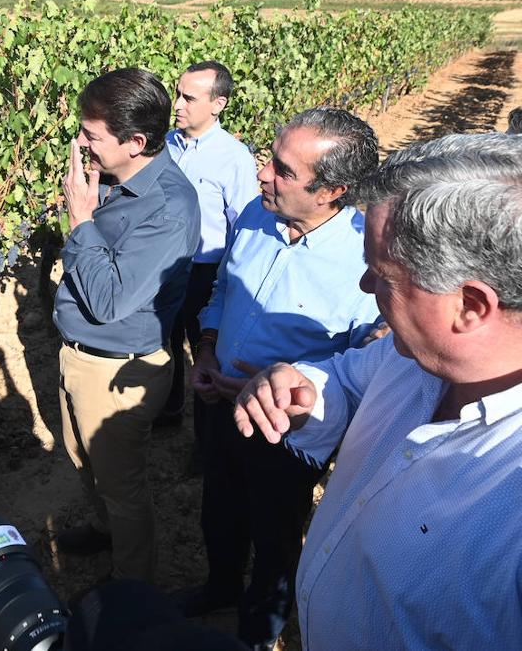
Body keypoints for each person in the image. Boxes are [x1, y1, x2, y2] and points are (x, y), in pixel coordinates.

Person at [234, 132, 522, 649]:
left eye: (384, 275)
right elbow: (347, 377)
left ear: (471, 305)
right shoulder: (412, 355)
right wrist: (304, 387)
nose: (365, 287)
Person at [176, 108, 381, 649]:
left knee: (276, 536)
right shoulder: (253, 213)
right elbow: (222, 289)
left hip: (286, 435)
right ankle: (221, 585)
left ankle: (258, 629)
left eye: (283, 170)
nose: (262, 173)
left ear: (331, 190)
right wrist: (207, 349)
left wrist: (287, 397)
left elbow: (363, 367)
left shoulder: (367, 261)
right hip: (219, 405)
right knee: (218, 510)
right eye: (270, 159)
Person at [53, 67, 200, 582]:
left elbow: (111, 299)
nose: (81, 144)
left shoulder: (169, 208)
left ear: (136, 141)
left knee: (122, 486)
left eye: (92, 137)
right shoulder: (119, 179)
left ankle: (133, 588)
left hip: (115, 370)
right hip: (83, 355)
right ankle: (104, 529)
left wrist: (81, 221)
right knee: (82, 457)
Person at [159, 61, 259, 448]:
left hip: (205, 272)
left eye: (188, 97)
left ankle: (205, 441)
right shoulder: (165, 145)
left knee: (206, 354)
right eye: (178, 95)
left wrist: (228, 282)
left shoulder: (233, 157)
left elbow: (244, 225)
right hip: (166, 267)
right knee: (164, 344)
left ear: (218, 104)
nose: (178, 105)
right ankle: (167, 412)